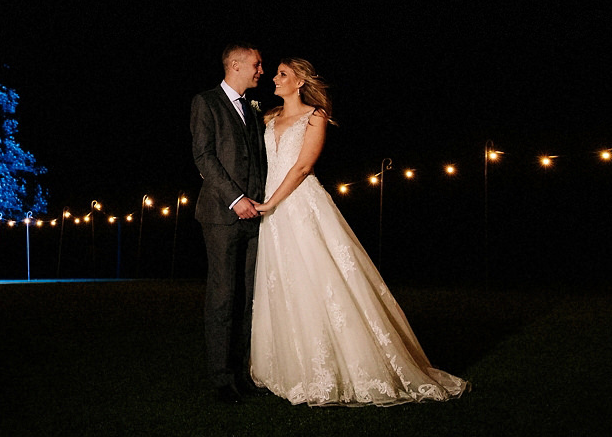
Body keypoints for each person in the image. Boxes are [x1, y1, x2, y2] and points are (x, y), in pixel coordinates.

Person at [250, 58, 469, 405]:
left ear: (300, 82)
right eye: (275, 73)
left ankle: (340, 366)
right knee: (283, 280)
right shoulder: (269, 117)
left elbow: (304, 165)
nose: (274, 79)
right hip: (272, 210)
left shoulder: (315, 116)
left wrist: (271, 202)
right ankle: (290, 367)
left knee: (318, 278)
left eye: (282, 74)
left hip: (299, 204)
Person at [190, 43, 269, 404]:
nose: (261, 71)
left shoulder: (253, 110)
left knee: (251, 298)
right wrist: (236, 200)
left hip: (257, 216)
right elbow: (203, 156)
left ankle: (244, 373)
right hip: (222, 216)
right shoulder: (205, 102)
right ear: (235, 65)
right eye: (256, 64)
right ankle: (221, 380)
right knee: (223, 297)